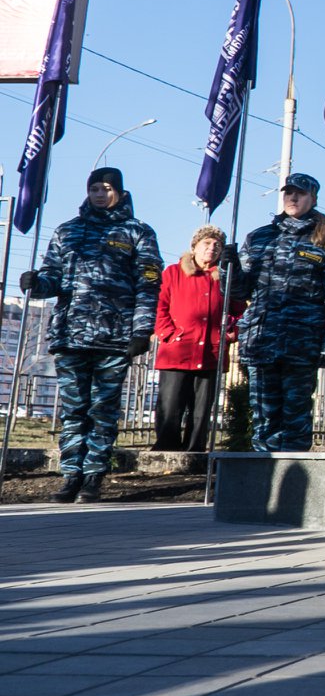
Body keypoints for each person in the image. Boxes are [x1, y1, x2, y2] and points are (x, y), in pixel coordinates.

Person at [17, 168, 161, 503]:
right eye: (94, 188)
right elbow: (53, 277)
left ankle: (94, 476)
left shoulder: (137, 232)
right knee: (73, 410)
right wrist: (36, 284)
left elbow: (149, 284)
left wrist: (142, 330)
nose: (99, 194)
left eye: (107, 188)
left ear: (120, 193)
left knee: (102, 410)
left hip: (114, 337)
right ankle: (70, 476)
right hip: (71, 335)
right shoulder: (68, 231)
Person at [226, 174, 325, 453]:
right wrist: (229, 267)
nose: (293, 198)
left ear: (313, 198)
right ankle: (263, 482)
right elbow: (240, 292)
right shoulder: (260, 237)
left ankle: (293, 487)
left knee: (295, 419)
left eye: (300, 194)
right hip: (262, 341)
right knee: (264, 418)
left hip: (302, 343)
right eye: (289, 193)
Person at [152, 226, 241, 452]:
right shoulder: (173, 272)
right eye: (206, 244)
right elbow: (159, 306)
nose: (211, 249)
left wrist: (232, 333)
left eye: (217, 246)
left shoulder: (224, 278)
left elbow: (240, 310)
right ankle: (166, 450)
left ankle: (195, 452)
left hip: (211, 352)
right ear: (194, 247)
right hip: (177, 351)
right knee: (170, 405)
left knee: (201, 409)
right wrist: (169, 334)